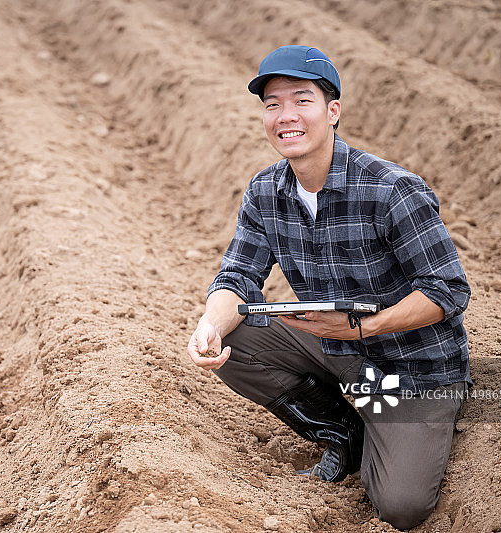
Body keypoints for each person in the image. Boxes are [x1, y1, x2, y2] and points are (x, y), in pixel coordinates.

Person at [186, 45, 471, 530]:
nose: (285, 116)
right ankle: (343, 431)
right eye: (272, 104)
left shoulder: (390, 189)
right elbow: (238, 278)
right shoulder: (265, 191)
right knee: (233, 335)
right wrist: (209, 325)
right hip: (338, 348)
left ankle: (379, 414)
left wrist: (365, 328)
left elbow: (448, 291)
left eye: (302, 100)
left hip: (412, 370)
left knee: (400, 506)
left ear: (332, 111)